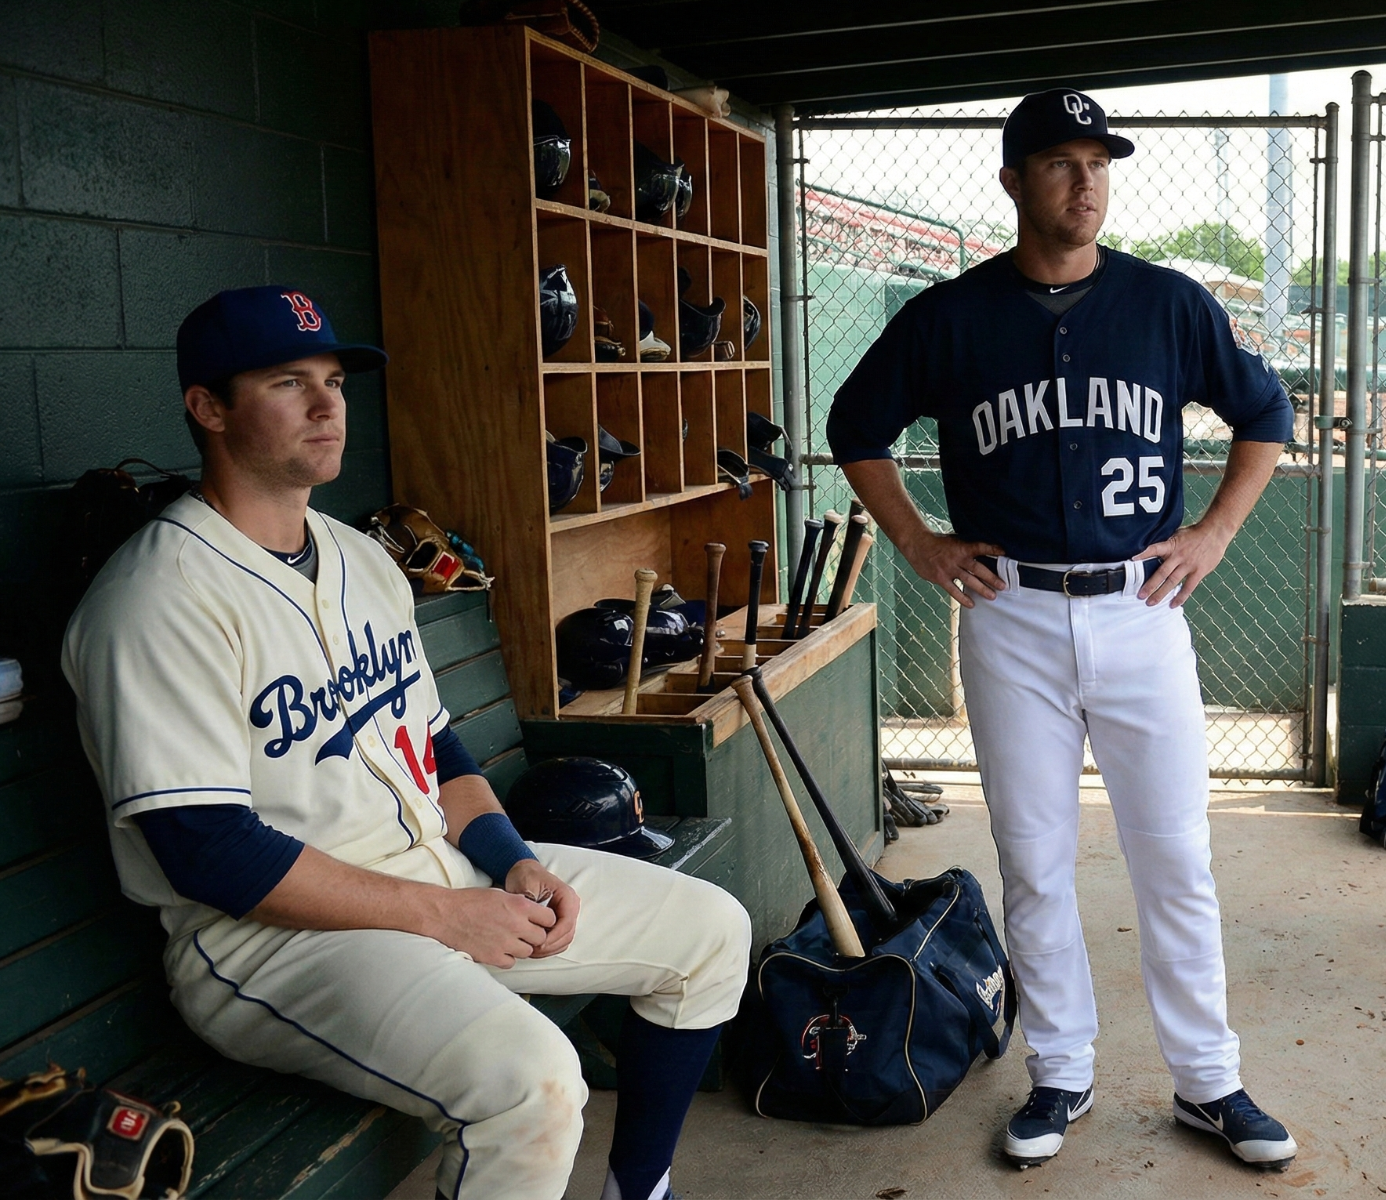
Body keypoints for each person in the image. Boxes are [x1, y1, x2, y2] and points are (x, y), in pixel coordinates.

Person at [62, 285, 751, 1200]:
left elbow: (438, 749)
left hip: (436, 872)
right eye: (287, 382)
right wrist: (442, 916)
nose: (326, 406)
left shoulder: (359, 556)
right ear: (208, 408)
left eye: (336, 381)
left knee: (710, 930)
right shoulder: (155, 598)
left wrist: (511, 862)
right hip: (276, 944)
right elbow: (205, 853)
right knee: (535, 1086)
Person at [827, 90, 1298, 1171]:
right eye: (1058, 162)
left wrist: (1218, 531)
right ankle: (1063, 1073)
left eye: (1099, 162)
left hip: (1142, 607)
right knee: (1033, 862)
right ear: (1012, 181)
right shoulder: (951, 315)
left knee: (1174, 857)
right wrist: (917, 542)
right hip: (1012, 614)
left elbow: (1262, 413)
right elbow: (855, 427)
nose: (1084, 182)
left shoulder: (1168, 303)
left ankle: (1207, 1081)